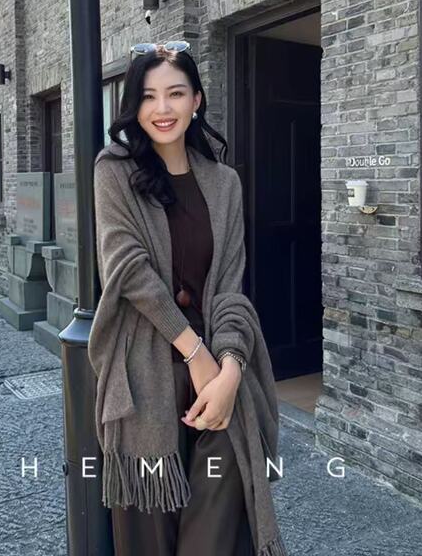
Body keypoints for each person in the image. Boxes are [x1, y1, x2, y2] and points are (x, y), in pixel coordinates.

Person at [88, 41, 287, 556]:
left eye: (175, 93)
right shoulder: (114, 171)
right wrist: (194, 353)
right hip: (145, 378)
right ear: (134, 106)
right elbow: (128, 270)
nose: (162, 108)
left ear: (196, 100)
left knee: (215, 536)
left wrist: (230, 373)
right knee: (151, 538)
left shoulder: (224, 183)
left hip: (218, 376)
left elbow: (230, 289)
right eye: (148, 96)